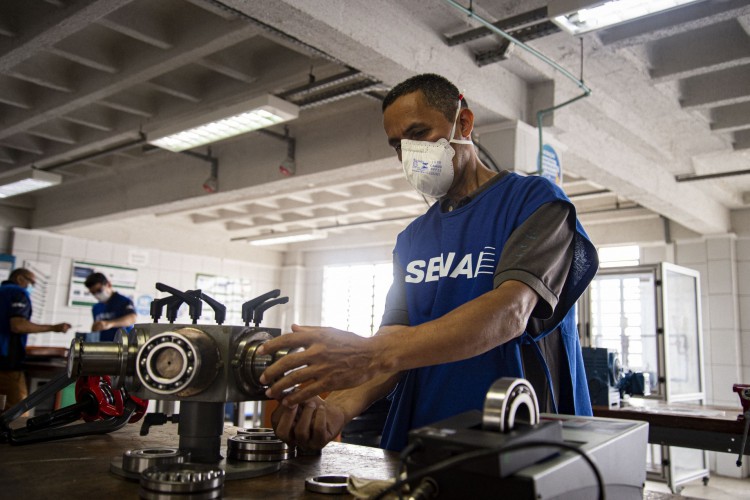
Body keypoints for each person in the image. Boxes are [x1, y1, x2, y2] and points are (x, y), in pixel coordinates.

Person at [258, 73, 599, 452]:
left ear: (463, 124)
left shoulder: (533, 201)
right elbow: (394, 343)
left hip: (518, 434)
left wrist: (366, 354)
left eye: (418, 133)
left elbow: (511, 312)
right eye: (397, 145)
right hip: (422, 437)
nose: (409, 153)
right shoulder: (413, 238)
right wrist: (335, 411)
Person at [0, 268, 71, 409]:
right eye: (31, 282)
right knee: (17, 411)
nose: (32, 286)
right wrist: (53, 328)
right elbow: (18, 326)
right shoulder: (18, 293)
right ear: (20, 279)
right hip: (5, 362)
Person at [84, 272, 136, 342]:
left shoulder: (124, 301)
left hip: (123, 345)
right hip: (103, 346)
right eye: (93, 293)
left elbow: (132, 319)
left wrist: (110, 324)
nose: (97, 294)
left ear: (108, 284)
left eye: (99, 290)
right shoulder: (96, 308)